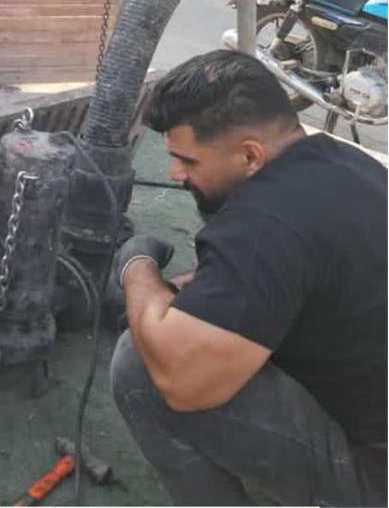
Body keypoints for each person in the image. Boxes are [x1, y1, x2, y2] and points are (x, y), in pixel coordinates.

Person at [106, 50, 387, 506]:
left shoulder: (263, 224)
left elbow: (181, 379)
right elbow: (281, 270)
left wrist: (136, 267)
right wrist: (184, 289)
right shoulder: (348, 165)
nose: (175, 173)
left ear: (250, 155)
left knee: (139, 367)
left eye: (187, 161)